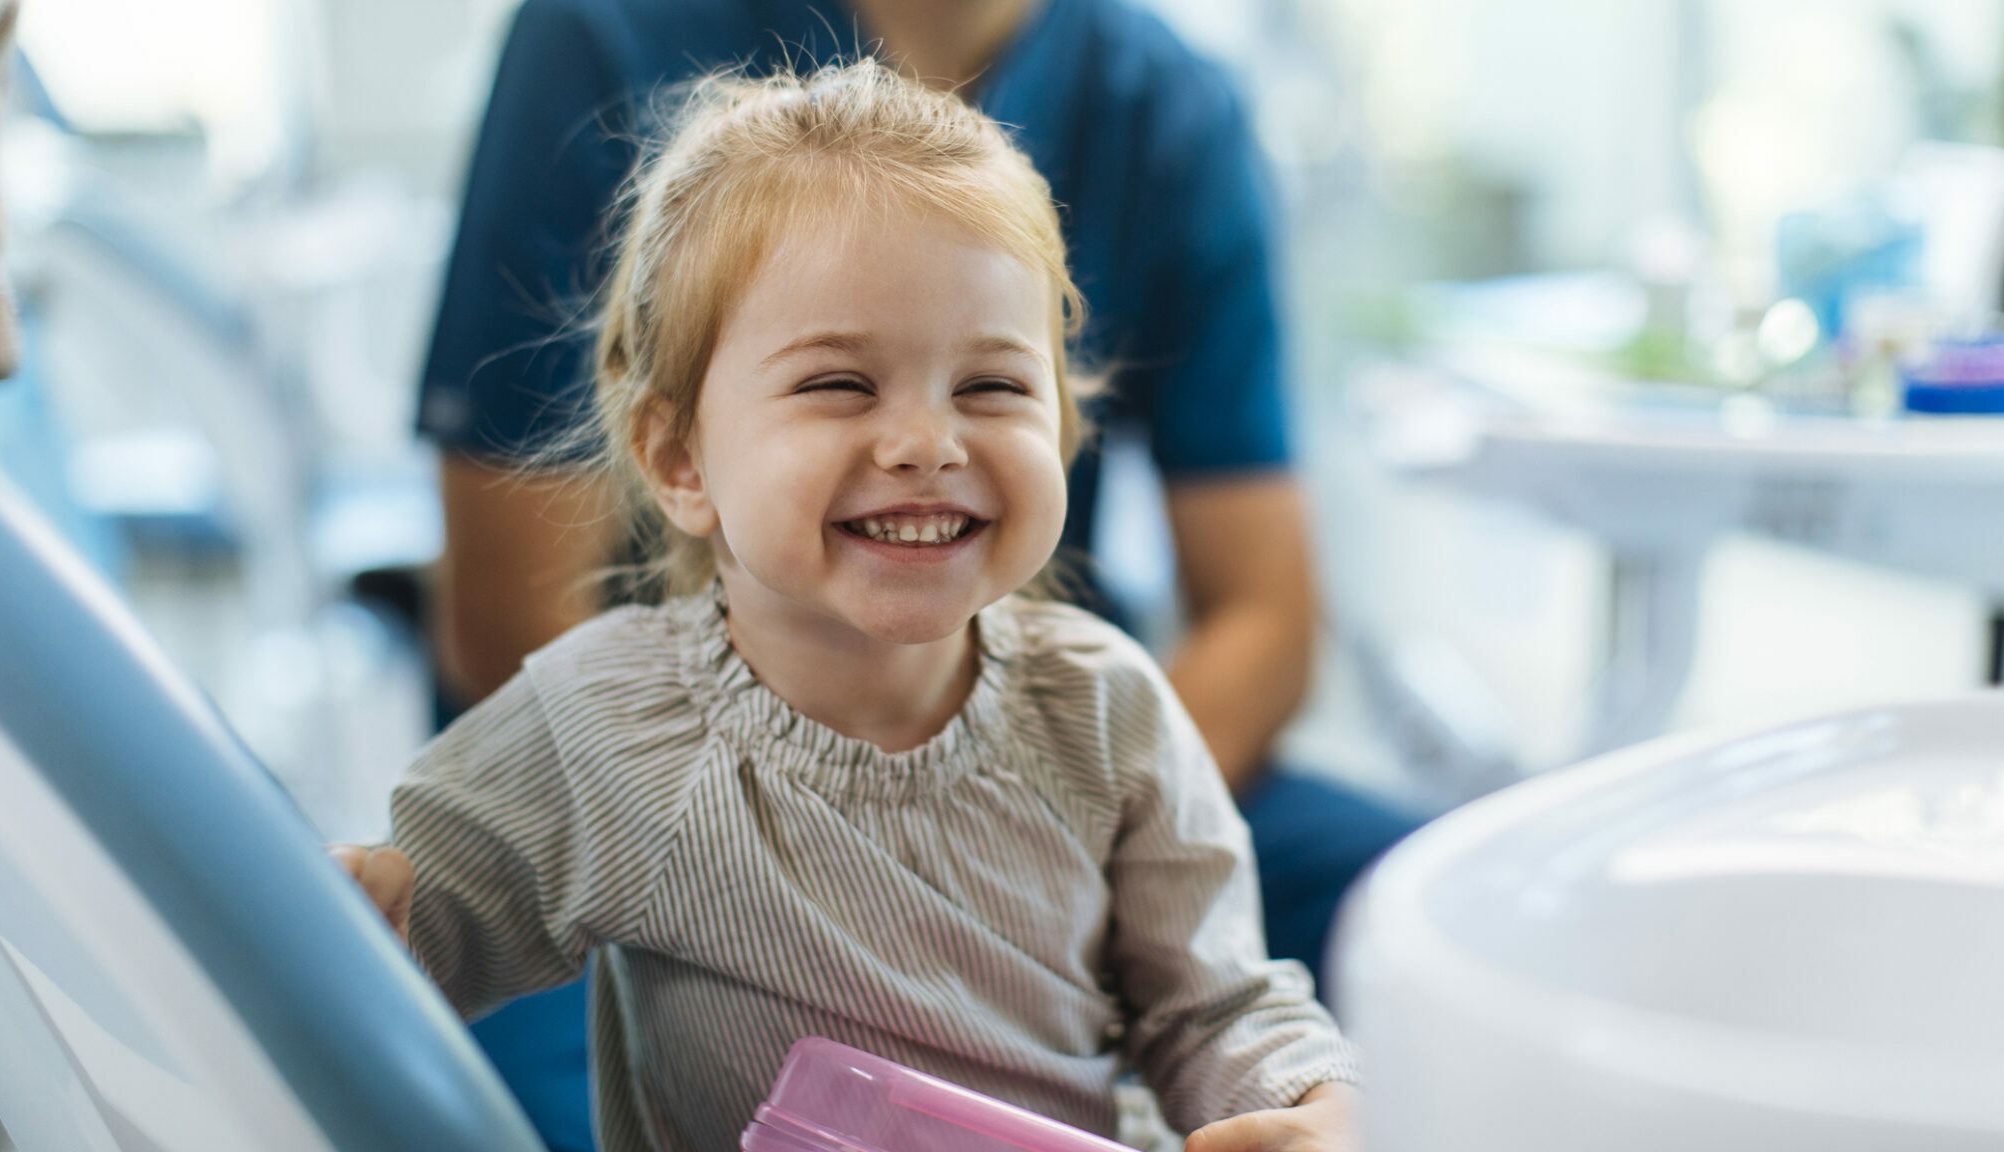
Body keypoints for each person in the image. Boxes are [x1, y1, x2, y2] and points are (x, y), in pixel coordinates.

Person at [416, 0, 1419, 1146]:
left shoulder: (1108, 713)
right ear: (678, 458)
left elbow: (1222, 1005)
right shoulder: (611, 724)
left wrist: (1299, 1103)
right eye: (839, 385)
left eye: (992, 389)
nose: (926, 444)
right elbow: (387, 921)